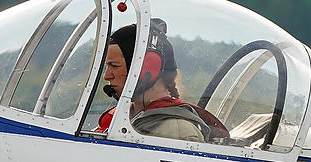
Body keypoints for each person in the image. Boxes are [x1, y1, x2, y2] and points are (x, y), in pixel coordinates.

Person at [95, 21, 228, 142]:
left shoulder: (178, 132)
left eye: (115, 66)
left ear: (147, 69)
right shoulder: (119, 119)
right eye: (107, 66)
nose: (107, 76)